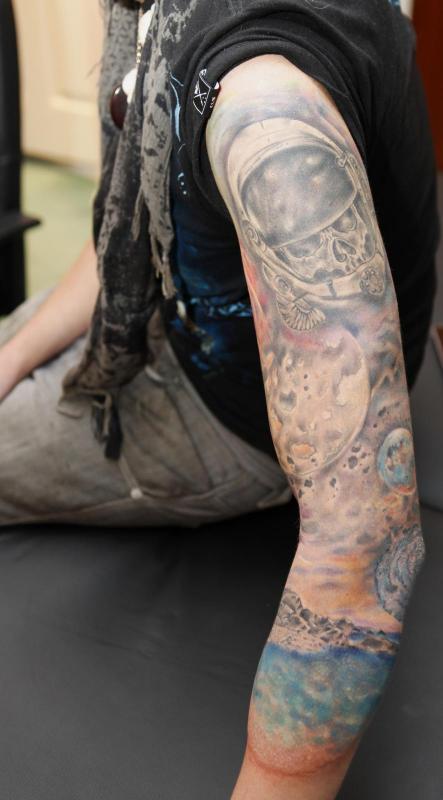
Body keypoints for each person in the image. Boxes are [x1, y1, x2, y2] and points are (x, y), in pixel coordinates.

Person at [0, 0, 439, 797]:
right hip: (160, 308)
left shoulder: (267, 111)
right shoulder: (159, 12)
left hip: (225, 419)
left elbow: (366, 542)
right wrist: (12, 356)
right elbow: (132, 220)